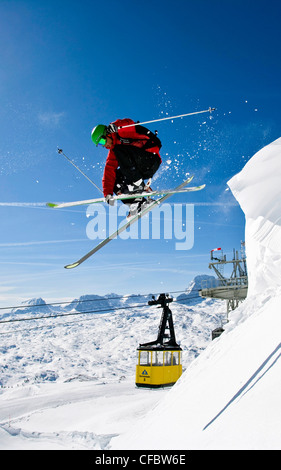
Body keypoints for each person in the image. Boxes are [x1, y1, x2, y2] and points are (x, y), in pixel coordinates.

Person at [91, 118, 162, 215]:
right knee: (115, 178)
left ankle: (138, 185)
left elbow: (129, 124)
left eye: (102, 141)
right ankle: (139, 204)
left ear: (107, 134)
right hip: (140, 170)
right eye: (100, 144)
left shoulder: (121, 133)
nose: (104, 145)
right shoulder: (114, 150)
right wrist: (108, 193)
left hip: (150, 159)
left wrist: (116, 126)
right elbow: (108, 171)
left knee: (118, 150)